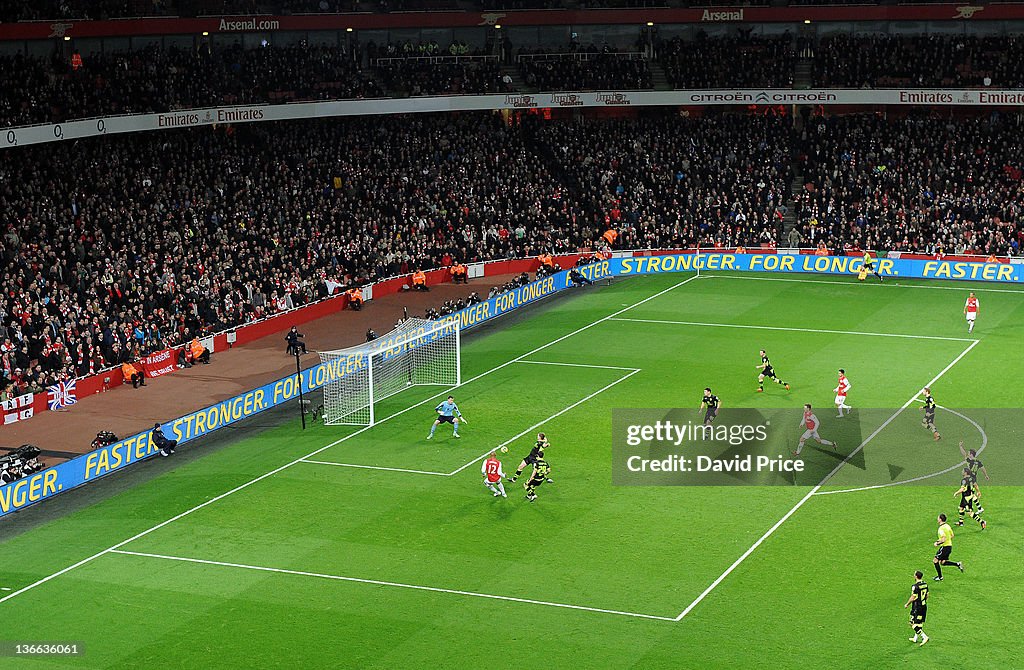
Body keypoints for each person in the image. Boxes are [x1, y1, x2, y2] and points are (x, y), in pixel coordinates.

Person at [959, 440, 990, 512]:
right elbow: (983, 468)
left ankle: (970, 507)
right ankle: (971, 507)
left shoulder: (968, 460)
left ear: (971, 454)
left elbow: (964, 454)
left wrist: (960, 446)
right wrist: (986, 475)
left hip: (970, 479)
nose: (968, 453)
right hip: (973, 478)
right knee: (970, 493)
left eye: (969, 453)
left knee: (968, 493)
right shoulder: (978, 461)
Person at [932, 513, 963, 581]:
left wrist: (937, 543)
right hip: (949, 546)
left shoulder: (941, 529)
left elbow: (943, 539)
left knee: (935, 561)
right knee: (943, 562)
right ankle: (957, 564)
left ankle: (940, 577)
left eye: (938, 518)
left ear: (940, 519)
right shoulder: (947, 526)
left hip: (944, 547)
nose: (937, 519)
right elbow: (952, 535)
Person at [903, 570, 929, 646]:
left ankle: (924, 637)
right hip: (924, 606)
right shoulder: (925, 584)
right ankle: (915, 638)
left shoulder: (915, 586)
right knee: (919, 623)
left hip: (917, 607)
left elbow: (913, 597)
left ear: (916, 576)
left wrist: (907, 604)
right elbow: (927, 595)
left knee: (912, 622)